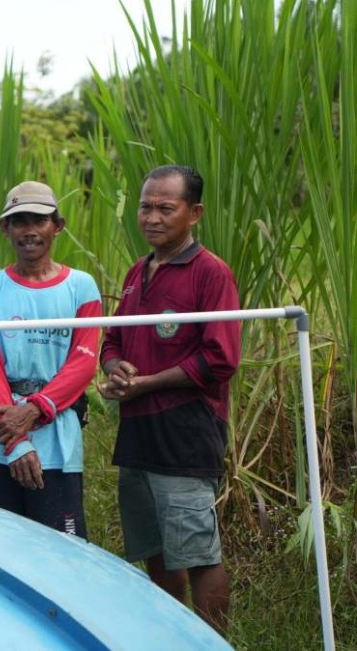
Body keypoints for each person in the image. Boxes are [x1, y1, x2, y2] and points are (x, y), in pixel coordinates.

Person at [99, 165, 239, 633]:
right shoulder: (138, 272)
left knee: (197, 553)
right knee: (155, 549)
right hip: (138, 430)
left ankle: (211, 644)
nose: (152, 217)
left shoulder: (211, 273)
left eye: (165, 208)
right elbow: (114, 339)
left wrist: (150, 382)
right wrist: (114, 369)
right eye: (145, 206)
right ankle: (170, 638)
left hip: (186, 430)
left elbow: (220, 359)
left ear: (193, 213)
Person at [0, 181, 101, 538]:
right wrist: (15, 442)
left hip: (57, 437)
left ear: (58, 226)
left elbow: (84, 362)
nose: (29, 231)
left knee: (63, 550)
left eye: (39, 220)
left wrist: (36, 408)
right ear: (5, 228)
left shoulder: (82, 287)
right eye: (19, 221)